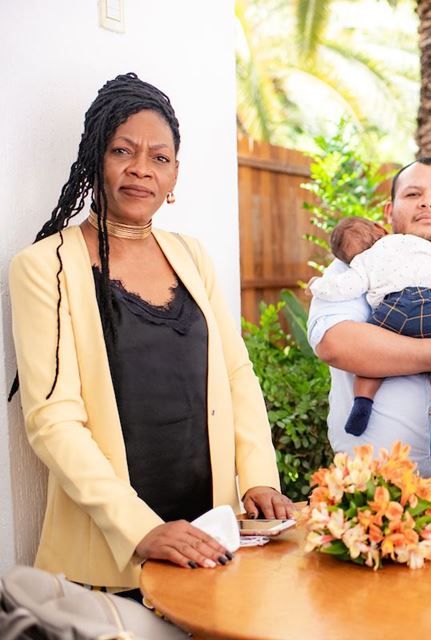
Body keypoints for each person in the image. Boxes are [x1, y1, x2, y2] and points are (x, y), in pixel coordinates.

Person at [8, 73, 294, 593]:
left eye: (160, 158)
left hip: (211, 541)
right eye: (123, 151)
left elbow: (235, 373)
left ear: (175, 174)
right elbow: (53, 421)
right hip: (114, 557)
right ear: (96, 156)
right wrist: (144, 530)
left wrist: (258, 477)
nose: (142, 170)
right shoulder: (44, 266)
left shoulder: (192, 256)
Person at [307, 157, 431, 475]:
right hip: (369, 487)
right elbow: (335, 343)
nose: (427, 202)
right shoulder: (354, 268)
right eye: (413, 194)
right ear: (388, 213)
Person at [308, 216, 431, 436]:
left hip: (394, 308)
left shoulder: (363, 260)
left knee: (373, 360)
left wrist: (317, 285)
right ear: (380, 228)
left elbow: (345, 287)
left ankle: (363, 403)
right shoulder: (417, 243)